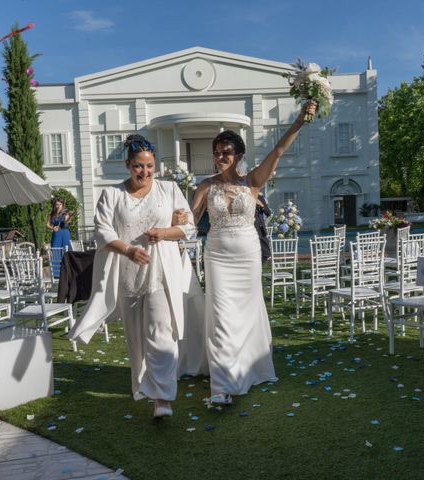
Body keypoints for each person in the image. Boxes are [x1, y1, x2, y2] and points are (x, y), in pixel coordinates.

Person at [191, 101, 317, 404]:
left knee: (245, 314)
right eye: (217, 152)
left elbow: (278, 151)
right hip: (218, 255)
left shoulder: (253, 182)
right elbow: (187, 222)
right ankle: (221, 385)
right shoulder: (205, 187)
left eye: (226, 152)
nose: (220, 157)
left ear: (239, 156)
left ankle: (247, 368)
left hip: (247, 255)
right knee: (221, 316)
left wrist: (300, 120)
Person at [67, 134, 195, 418]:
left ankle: (163, 398)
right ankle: (142, 386)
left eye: (149, 166)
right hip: (128, 273)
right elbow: (102, 231)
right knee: (136, 337)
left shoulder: (169, 189)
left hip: (162, 269)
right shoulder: (112, 195)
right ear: (127, 164)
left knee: (161, 332)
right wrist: (127, 250)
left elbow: (187, 227)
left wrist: (165, 232)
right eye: (138, 166)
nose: (145, 172)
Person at [255, 194, 272, 262]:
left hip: (260, 230)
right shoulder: (243, 196)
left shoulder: (260, 197)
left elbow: (268, 213)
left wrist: (261, 205)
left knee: (266, 254)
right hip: (248, 229)